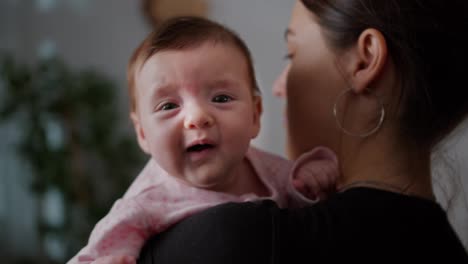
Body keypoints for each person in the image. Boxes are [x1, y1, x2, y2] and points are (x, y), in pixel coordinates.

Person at [137, 0, 468, 263]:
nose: (279, 87)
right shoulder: (447, 248)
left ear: (365, 61)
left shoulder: (241, 241)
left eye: (291, 54)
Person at [67, 16, 339, 264]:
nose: (197, 117)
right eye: (168, 106)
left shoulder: (266, 168)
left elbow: (297, 196)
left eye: (221, 98)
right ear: (142, 134)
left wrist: (312, 182)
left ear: (255, 116)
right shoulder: (145, 204)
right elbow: (94, 254)